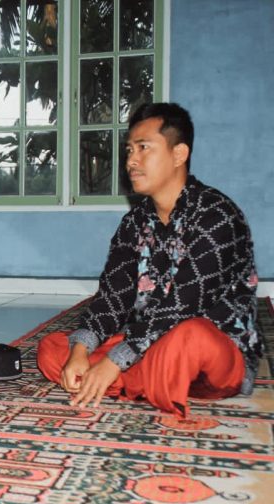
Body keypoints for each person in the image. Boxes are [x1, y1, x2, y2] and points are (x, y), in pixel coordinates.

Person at [37, 103, 264, 418]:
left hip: (213, 351)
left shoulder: (218, 216)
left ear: (178, 154)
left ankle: (137, 378)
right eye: (130, 149)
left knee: (187, 336)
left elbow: (184, 306)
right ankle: (148, 379)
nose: (131, 159)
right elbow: (112, 297)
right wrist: (80, 351)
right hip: (147, 346)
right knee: (53, 350)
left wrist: (114, 361)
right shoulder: (134, 223)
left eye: (144, 148)